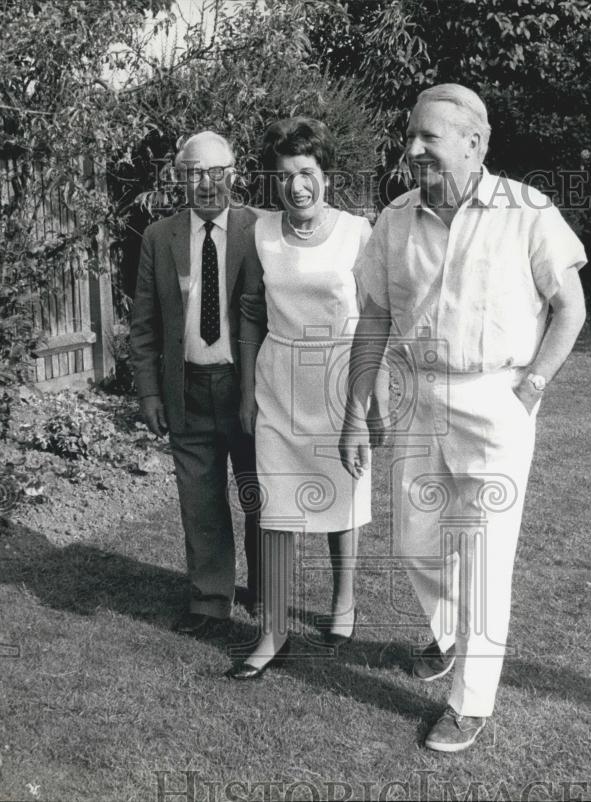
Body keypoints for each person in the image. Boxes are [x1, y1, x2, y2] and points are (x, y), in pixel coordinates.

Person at [339, 84, 588, 752]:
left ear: (474, 144)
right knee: (419, 541)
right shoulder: (395, 220)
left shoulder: (528, 212)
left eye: (429, 137)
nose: (413, 148)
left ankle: (470, 702)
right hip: (420, 394)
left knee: (482, 554)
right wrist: (355, 409)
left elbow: (571, 308)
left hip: (495, 401)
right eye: (411, 136)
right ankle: (447, 636)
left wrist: (532, 384)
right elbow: (374, 319)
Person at [225, 117, 389, 680]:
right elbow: (249, 312)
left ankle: (344, 602)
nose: (296, 186)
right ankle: (272, 628)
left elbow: (374, 318)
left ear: (325, 175)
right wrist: (247, 389)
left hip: (340, 382)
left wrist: (374, 401)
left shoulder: (356, 231)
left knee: (343, 500)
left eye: (307, 172)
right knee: (275, 508)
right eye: (285, 174)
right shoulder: (262, 233)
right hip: (278, 383)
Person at [130, 131, 261, 636]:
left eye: (216, 171)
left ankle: (265, 592)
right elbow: (143, 325)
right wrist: (148, 391)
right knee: (199, 500)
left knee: (257, 495)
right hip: (186, 389)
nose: (206, 184)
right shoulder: (160, 237)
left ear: (234, 172)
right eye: (194, 172)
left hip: (246, 389)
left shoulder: (260, 230)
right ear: (179, 178)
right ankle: (210, 602)